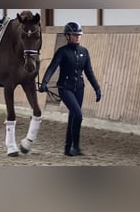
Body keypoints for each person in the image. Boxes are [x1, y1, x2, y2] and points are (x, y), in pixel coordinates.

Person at [39, 21, 102, 156]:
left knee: (73, 116)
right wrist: (44, 82)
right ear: (68, 36)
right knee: (78, 115)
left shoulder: (84, 52)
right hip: (65, 88)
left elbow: (89, 72)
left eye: (79, 35)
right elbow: (52, 67)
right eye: (74, 35)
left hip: (79, 88)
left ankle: (71, 148)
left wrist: (97, 88)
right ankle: (73, 146)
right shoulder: (62, 52)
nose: (77, 37)